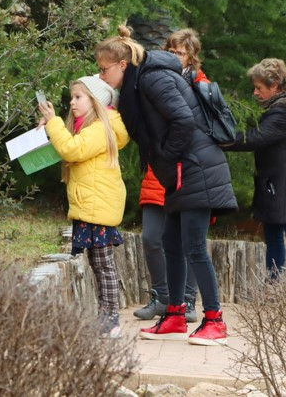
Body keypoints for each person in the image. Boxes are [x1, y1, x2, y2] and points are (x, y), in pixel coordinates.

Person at [97, 25, 237, 346]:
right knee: (171, 243)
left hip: (195, 169)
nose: (102, 76)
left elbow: (183, 121)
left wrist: (165, 156)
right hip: (179, 171)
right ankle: (175, 314)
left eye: (104, 70)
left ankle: (215, 321)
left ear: (122, 65)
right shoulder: (139, 82)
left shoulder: (152, 78)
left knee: (195, 248)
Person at [38, 75, 130, 338]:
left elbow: (72, 150)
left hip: (98, 207)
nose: (72, 102)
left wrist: (53, 122)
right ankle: (105, 316)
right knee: (97, 263)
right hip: (91, 205)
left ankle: (111, 319)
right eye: (72, 97)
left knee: (103, 264)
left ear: (96, 101)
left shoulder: (101, 128)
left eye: (78, 97)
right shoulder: (86, 127)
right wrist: (50, 128)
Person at [133, 28, 209, 324]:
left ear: (192, 56)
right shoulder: (154, 78)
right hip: (158, 172)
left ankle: (187, 300)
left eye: (181, 52)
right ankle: (162, 296)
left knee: (190, 242)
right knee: (151, 238)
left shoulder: (201, 84)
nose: (175, 56)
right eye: (172, 50)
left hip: (189, 171)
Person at [222, 58, 286, 282]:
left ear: (274, 86)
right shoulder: (283, 108)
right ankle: (273, 286)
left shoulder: (283, 113)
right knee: (273, 233)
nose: (255, 93)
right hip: (277, 182)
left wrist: (223, 141)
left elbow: (255, 138)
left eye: (259, 88)